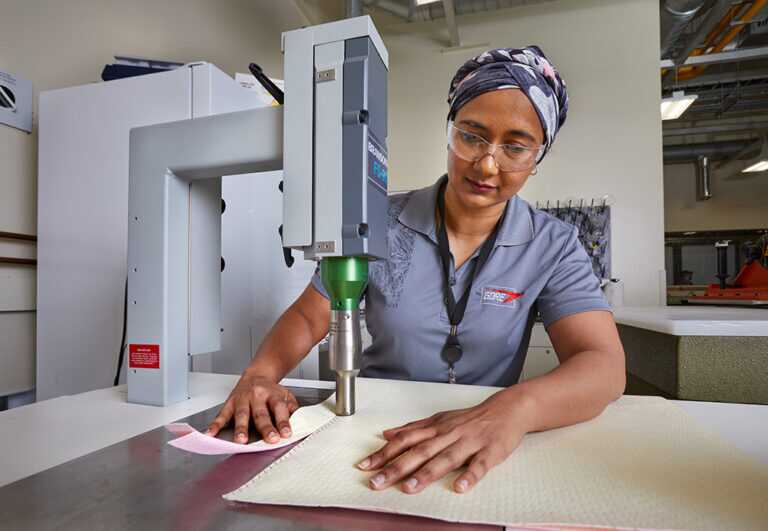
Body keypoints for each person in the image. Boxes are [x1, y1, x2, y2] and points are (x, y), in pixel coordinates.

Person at [206, 46, 626, 495]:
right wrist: (260, 376)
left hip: (483, 433)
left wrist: (514, 409)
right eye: (472, 136)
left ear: (537, 157)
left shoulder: (554, 244)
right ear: (449, 131)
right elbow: (311, 315)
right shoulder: (380, 221)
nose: (487, 164)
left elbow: (602, 364)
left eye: (516, 147)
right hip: (370, 428)